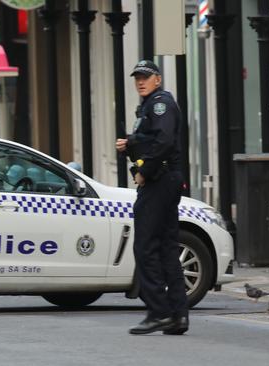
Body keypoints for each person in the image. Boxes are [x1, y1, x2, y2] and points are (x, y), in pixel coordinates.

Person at [116, 60, 188, 335]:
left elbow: (164, 141)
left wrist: (144, 170)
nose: (140, 82)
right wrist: (131, 143)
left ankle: (158, 312)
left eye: (145, 77)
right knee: (167, 247)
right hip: (167, 180)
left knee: (145, 246)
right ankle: (178, 315)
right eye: (137, 78)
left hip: (159, 181)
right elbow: (152, 138)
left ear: (158, 79)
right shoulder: (151, 105)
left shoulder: (161, 104)